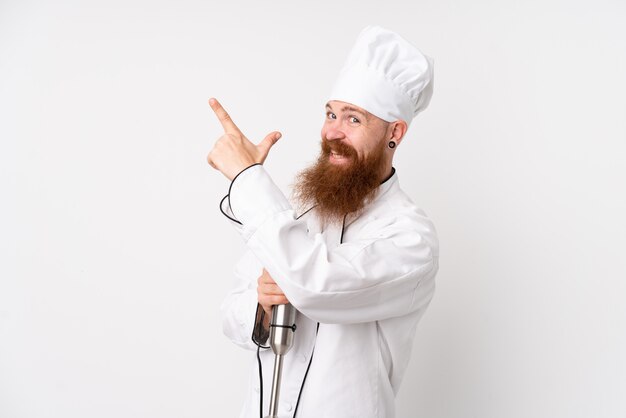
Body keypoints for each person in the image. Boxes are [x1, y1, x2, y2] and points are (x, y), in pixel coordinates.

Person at [207, 26, 438, 418]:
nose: (332, 131)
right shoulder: (300, 211)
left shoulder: (411, 238)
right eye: (331, 113)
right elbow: (231, 314)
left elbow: (316, 285)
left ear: (394, 132)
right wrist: (261, 305)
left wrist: (247, 179)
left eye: (353, 119)